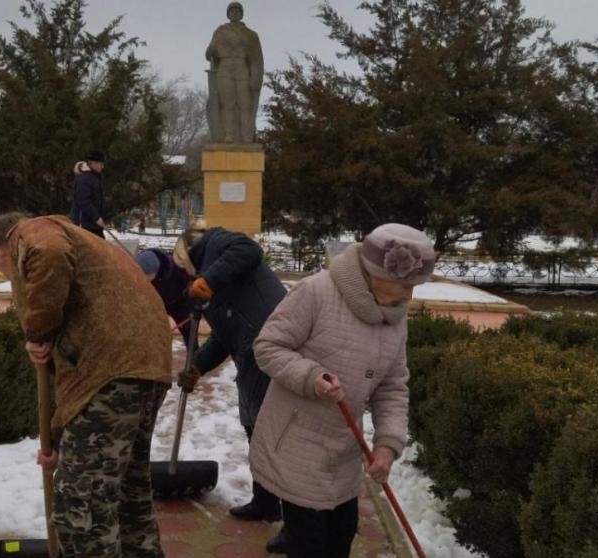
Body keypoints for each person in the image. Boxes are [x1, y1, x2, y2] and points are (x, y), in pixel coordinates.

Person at [0, 212, 172, 558]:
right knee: (129, 499)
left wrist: (37, 331)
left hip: (113, 372)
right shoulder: (84, 245)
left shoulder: (30, 232)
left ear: (0, 253)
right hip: (142, 369)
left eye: (5, 274)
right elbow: (78, 383)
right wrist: (58, 441)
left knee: (79, 510)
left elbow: (49, 253)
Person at [249, 224, 436, 558]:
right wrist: (311, 377)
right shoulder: (316, 292)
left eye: (415, 287)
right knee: (310, 544)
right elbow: (267, 346)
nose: (409, 296)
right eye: (404, 284)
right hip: (297, 441)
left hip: (344, 453)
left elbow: (392, 387)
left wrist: (387, 446)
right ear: (372, 271)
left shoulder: (396, 315)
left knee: (341, 537)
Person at [172, 225, 286, 524]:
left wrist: (207, 280)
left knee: (264, 428)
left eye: (184, 266)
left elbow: (250, 250)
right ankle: (267, 501)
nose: (187, 274)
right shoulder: (210, 282)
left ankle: (288, 508)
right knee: (256, 426)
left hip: (270, 341)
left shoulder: (218, 241)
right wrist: (197, 366)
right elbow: (224, 335)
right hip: (251, 348)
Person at [205, 2, 264, 143]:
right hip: (224, 67)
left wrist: (255, 77)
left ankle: (246, 135)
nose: (234, 14)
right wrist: (211, 50)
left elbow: (256, 58)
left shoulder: (250, 34)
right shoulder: (220, 31)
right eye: (232, 11)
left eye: (237, 11)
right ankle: (229, 134)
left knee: (245, 103)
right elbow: (208, 54)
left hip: (241, 67)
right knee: (228, 103)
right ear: (228, 14)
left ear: (241, 14)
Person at [135, 248, 194, 340]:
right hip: (158, 307)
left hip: (180, 304)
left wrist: (193, 304)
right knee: (157, 337)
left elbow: (193, 284)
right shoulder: (137, 275)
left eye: (146, 276)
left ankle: (194, 353)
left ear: (155, 270)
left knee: (190, 336)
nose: (144, 280)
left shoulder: (179, 268)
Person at [71, 151, 106, 237]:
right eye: (100, 164)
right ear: (93, 163)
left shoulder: (96, 178)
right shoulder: (84, 178)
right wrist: (96, 217)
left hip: (94, 225)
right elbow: (83, 200)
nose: (102, 167)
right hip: (84, 224)